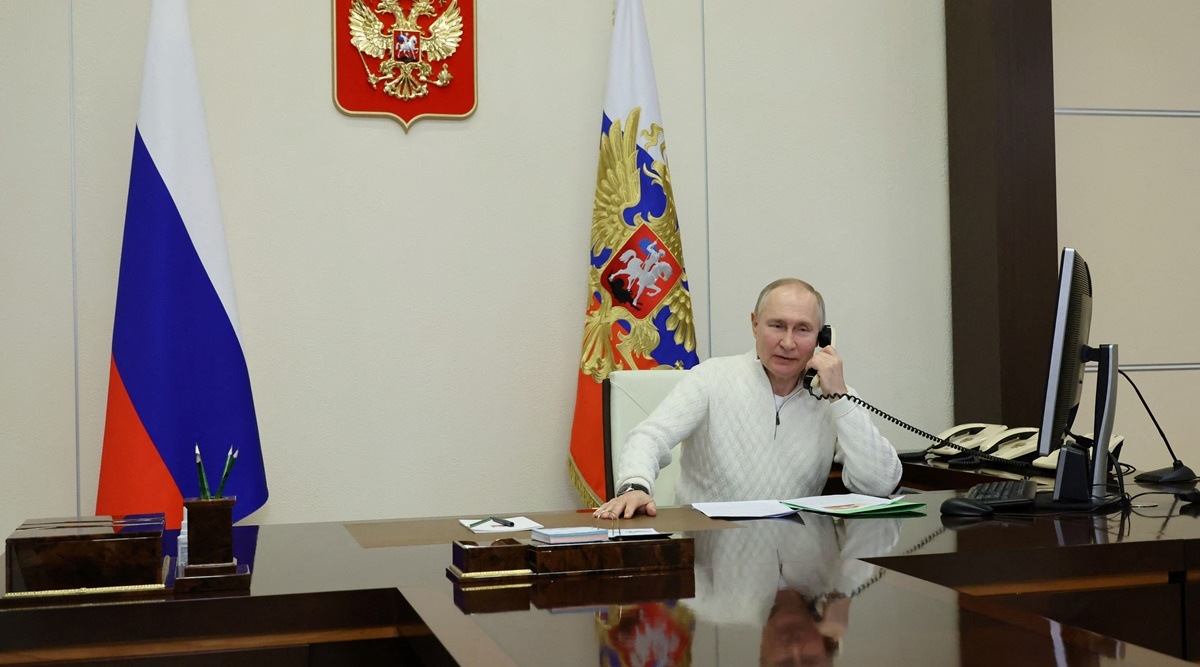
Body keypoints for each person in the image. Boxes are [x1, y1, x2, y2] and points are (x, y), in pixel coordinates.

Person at [595, 278, 902, 519]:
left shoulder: (834, 397)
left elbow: (879, 483)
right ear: (755, 324)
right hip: (712, 562)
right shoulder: (712, 377)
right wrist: (635, 485)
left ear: (823, 338)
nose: (788, 342)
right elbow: (649, 437)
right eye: (777, 325)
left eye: (803, 330)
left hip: (799, 568)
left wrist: (841, 398)